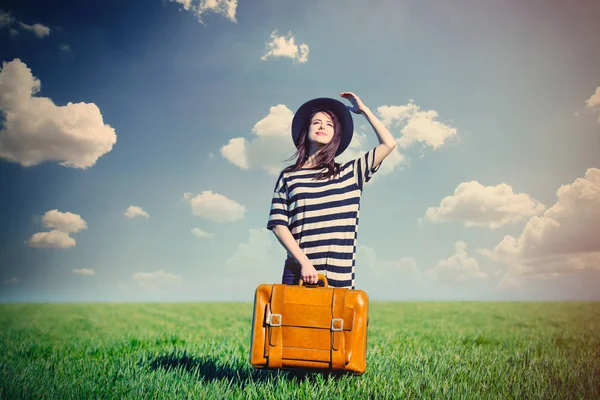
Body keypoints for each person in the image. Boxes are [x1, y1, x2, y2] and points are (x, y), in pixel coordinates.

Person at [266, 92, 396, 288]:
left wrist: (365, 111)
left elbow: (389, 144)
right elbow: (278, 224)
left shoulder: (351, 173)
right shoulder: (289, 176)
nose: (322, 127)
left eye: (329, 124)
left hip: (339, 279)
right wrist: (305, 263)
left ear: (336, 135)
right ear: (306, 129)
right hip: (299, 274)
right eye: (316, 122)